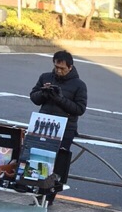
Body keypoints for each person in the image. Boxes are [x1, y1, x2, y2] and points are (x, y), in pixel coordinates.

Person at [29, 49, 88, 194]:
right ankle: (38, 193)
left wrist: (60, 99)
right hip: (43, 125)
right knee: (38, 160)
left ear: (70, 67)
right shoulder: (45, 77)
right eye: (56, 67)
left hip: (65, 129)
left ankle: (49, 196)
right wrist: (44, 93)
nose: (58, 71)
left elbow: (80, 109)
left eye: (62, 68)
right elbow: (34, 98)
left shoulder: (79, 85)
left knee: (57, 166)